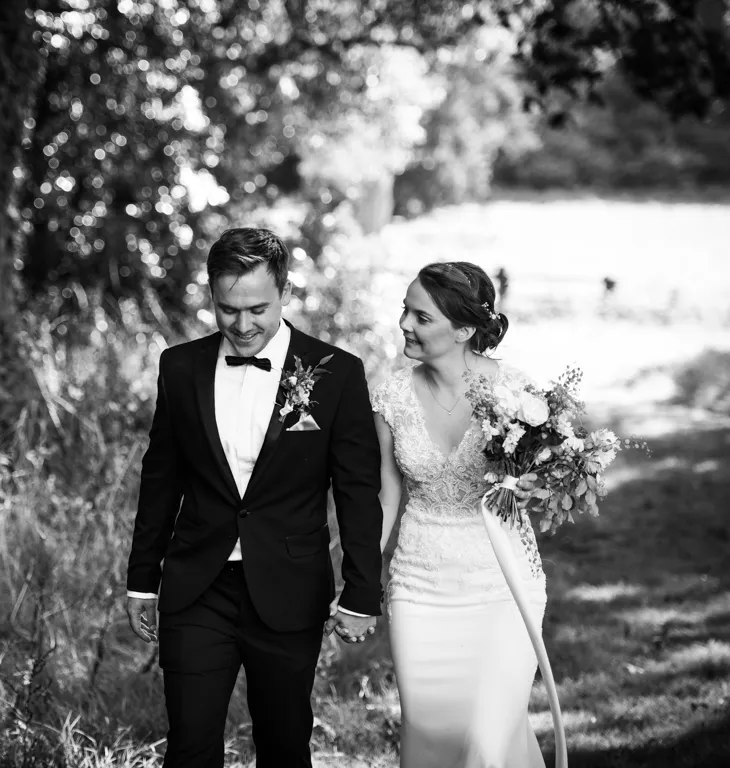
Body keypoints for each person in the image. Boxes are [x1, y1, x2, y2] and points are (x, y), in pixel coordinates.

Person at [124, 227, 385, 768]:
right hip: (199, 585)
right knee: (191, 747)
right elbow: (161, 480)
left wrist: (361, 592)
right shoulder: (180, 367)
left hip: (288, 589)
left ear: (285, 293)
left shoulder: (336, 374)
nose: (242, 326)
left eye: (258, 310)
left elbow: (358, 492)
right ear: (212, 299)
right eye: (227, 310)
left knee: (283, 744)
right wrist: (142, 581)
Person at [372, 261, 549, 768]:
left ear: (465, 330)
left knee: (486, 744)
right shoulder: (391, 398)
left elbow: (537, 489)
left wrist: (530, 479)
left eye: (421, 317)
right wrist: (359, 582)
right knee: (431, 742)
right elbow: (386, 500)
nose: (405, 323)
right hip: (419, 586)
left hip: (503, 584)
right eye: (405, 310)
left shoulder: (518, 395)